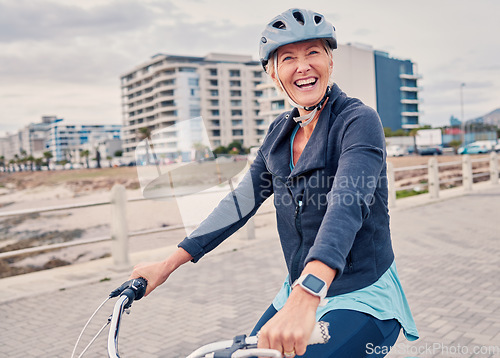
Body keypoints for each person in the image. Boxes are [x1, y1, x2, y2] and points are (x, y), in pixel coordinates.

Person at [129, 8, 419, 357]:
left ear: (330, 61)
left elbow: (347, 205)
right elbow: (239, 204)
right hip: (296, 291)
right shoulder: (278, 135)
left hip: (360, 294)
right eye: (288, 58)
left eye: (313, 52)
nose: (303, 66)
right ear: (273, 74)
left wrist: (308, 292)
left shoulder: (357, 121)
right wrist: (167, 264)